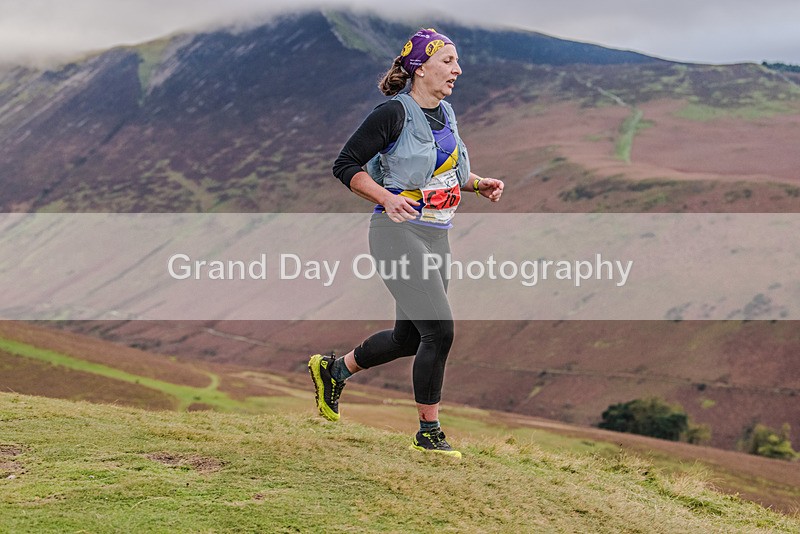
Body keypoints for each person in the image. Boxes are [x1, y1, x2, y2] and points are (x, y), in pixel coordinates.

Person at [308, 28, 504, 458]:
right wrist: (385, 197)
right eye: (448, 61)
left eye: (457, 61)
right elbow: (345, 165)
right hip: (396, 233)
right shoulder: (392, 114)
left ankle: (334, 371)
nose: (458, 69)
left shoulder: (447, 114)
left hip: (437, 235)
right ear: (419, 66)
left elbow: (445, 171)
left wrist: (478, 183)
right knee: (440, 330)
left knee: (410, 338)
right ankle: (428, 432)